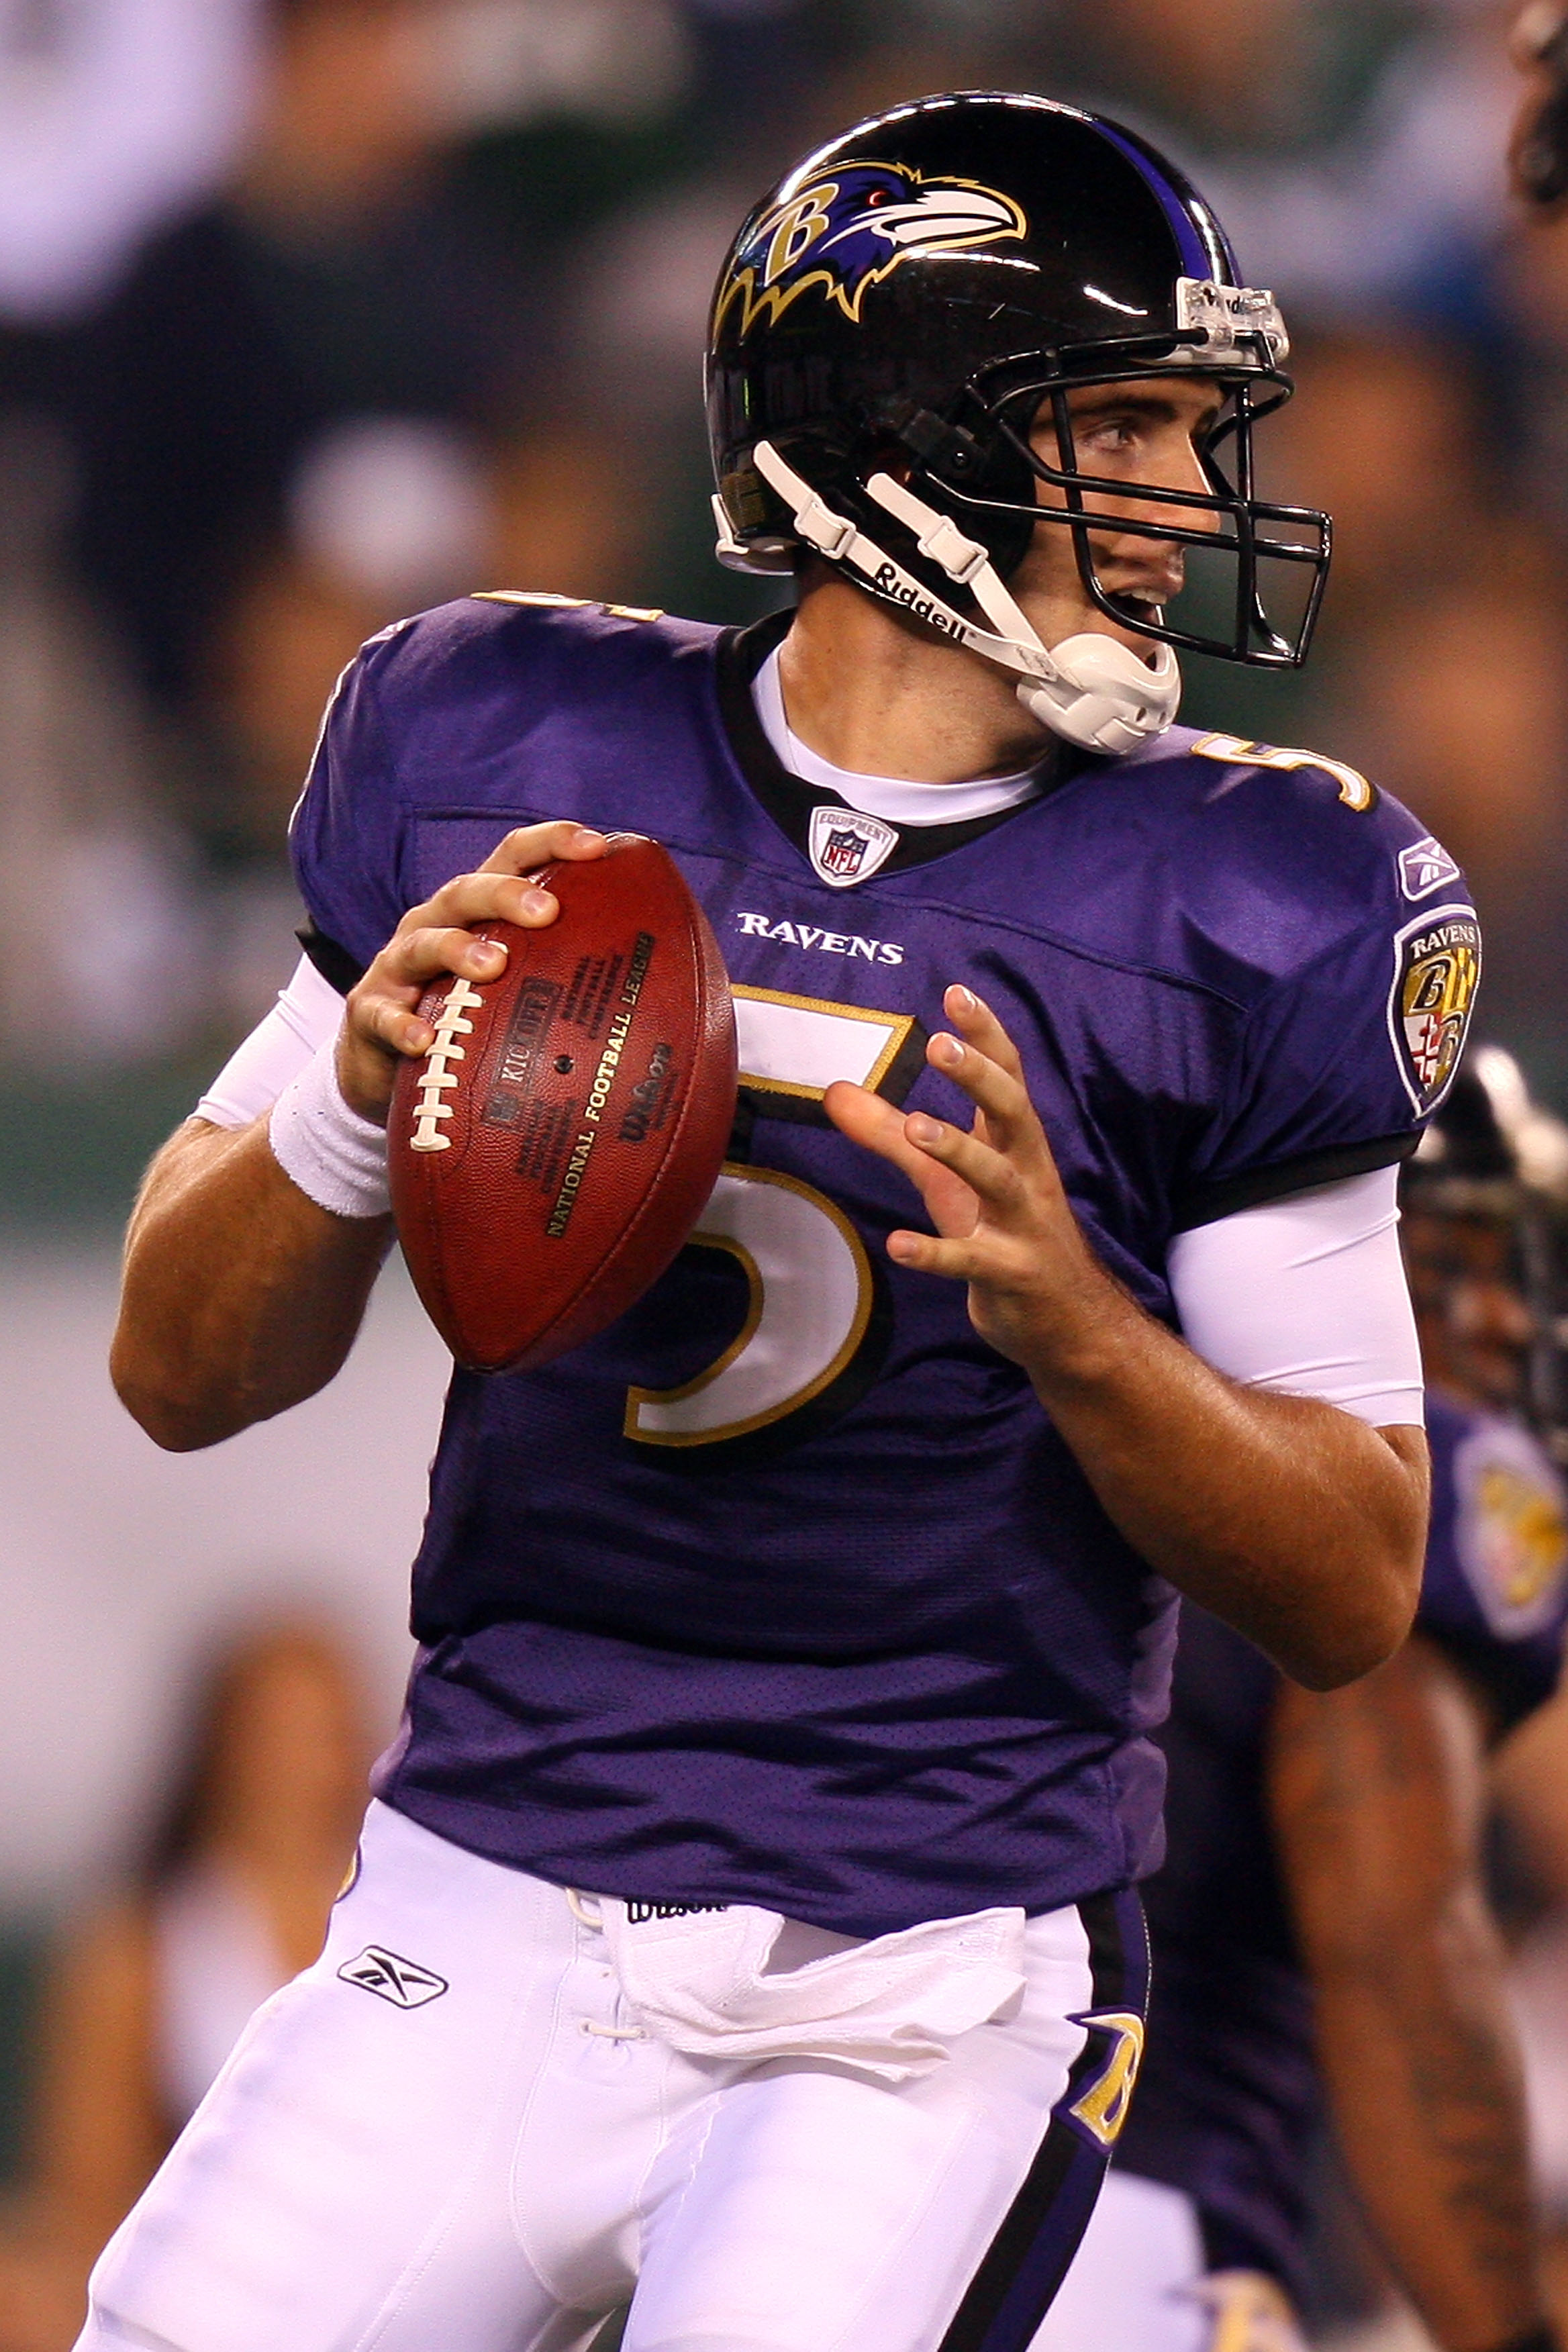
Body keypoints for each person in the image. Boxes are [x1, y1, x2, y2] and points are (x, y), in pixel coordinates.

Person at [96, 92, 1459, 2352]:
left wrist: (1086, 1336)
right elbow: (176, 1370)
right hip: (491, 1883)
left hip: (914, 1975)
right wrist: (350, 1109)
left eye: (1187, 427)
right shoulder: (500, 740)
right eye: (1115, 421)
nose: (1183, 494)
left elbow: (1348, 1581)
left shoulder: (1254, 898)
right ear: (908, 443)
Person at [1032, 1057, 1568, 2352]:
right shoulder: (1411, 1488)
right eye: (1457, 1257)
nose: (1502, 1319)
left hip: (847, 2168)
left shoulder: (1029, 1406)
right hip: (1124, 2223)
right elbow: (1393, 1946)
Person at [0, 1623, 371, 2352]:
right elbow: (87, 2185)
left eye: (324, 1733)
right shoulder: (146, 1943)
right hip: (202, 2292)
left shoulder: (405, 1927)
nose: (301, 1764)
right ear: (218, 1749)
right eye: (275, 1733)